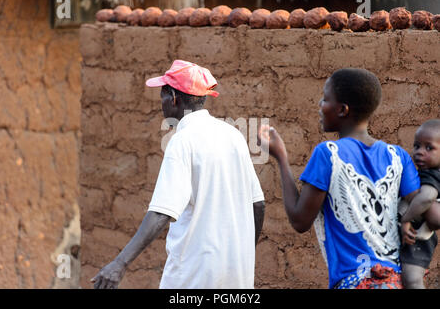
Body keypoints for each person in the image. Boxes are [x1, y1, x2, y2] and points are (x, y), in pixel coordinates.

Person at [91, 60, 265, 289]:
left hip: (194, 278)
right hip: (237, 280)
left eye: (163, 95)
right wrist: (242, 256)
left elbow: (161, 213)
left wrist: (119, 264)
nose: (161, 103)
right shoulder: (233, 136)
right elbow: (258, 205)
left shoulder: (182, 142)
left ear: (173, 98)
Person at [257, 68, 420, 289]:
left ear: (342, 110)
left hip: (355, 282)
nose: (319, 105)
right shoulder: (398, 156)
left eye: (325, 99)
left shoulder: (329, 154)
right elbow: (422, 204)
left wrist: (281, 157)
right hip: (395, 281)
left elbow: (299, 220)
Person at [399, 119, 440, 289]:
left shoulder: (433, 176)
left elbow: (426, 198)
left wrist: (406, 220)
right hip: (412, 236)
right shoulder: (425, 173)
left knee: (412, 279)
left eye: (429, 148)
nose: (419, 152)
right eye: (417, 146)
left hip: (418, 238)